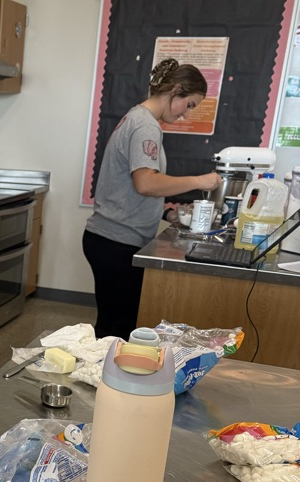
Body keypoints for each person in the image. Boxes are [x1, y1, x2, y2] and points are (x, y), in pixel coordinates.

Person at [82, 58, 222, 339]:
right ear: (176, 90)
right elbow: (146, 182)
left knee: (113, 324)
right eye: (189, 105)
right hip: (115, 242)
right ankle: (104, 380)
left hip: (111, 239)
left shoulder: (137, 118)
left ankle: (103, 377)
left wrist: (166, 213)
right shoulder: (146, 126)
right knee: (118, 329)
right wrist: (199, 181)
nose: (186, 114)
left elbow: (127, 185)